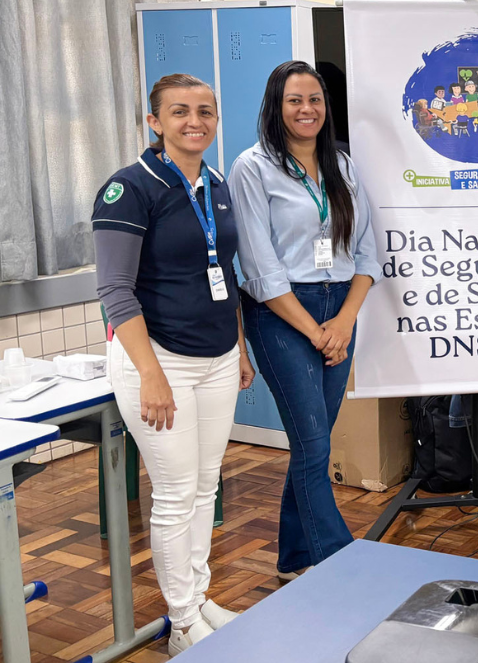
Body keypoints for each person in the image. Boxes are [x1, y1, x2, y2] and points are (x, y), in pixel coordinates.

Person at [93, 73, 254, 655]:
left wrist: (237, 347)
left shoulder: (215, 183)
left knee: (205, 488)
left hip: (214, 358)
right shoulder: (129, 188)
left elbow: (226, 275)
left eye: (206, 111)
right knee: (175, 491)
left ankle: (200, 597)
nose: (196, 121)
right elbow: (115, 288)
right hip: (155, 360)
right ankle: (181, 623)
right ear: (154, 122)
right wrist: (152, 375)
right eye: (180, 111)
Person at [229, 61, 382, 582]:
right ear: (276, 107)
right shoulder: (251, 168)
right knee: (314, 443)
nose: (306, 109)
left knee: (312, 442)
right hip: (280, 315)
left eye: (314, 99)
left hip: (340, 307)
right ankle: (339, 563)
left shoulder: (342, 165)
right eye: (295, 100)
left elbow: (367, 251)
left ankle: (295, 558)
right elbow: (259, 265)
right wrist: (316, 330)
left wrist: (343, 321)